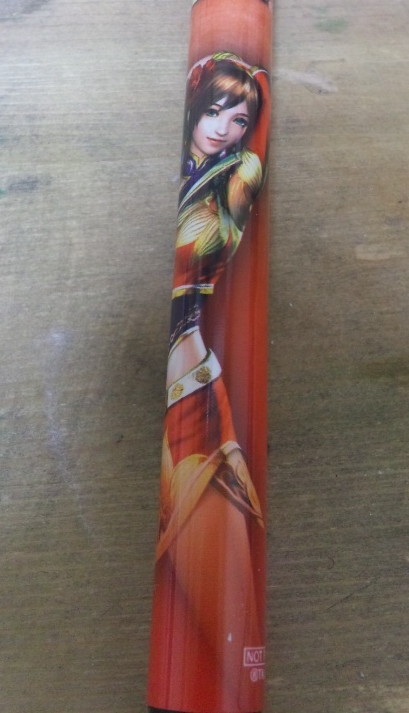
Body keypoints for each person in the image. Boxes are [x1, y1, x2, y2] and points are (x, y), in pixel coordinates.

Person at [149, 52, 270, 711]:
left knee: (219, 583)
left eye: (240, 118)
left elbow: (217, 235)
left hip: (193, 385)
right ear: (195, 108)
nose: (224, 127)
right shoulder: (190, 175)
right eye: (215, 110)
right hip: (173, 382)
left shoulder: (238, 172)